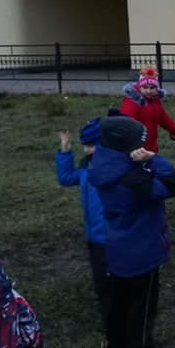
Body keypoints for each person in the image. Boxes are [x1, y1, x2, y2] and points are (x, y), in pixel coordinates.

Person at [88, 117, 175, 348]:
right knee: (143, 308)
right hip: (143, 251)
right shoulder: (133, 179)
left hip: (117, 248)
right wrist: (153, 160)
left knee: (120, 302)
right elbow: (171, 185)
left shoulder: (102, 167)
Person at [56, 120, 111, 326]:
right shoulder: (86, 169)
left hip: (108, 235)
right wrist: (64, 150)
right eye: (84, 145)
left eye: (90, 145)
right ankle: (105, 302)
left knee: (109, 275)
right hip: (93, 234)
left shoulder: (111, 170)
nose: (86, 150)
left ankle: (112, 308)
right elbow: (66, 178)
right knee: (100, 276)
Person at [119, 66, 175, 153]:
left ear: (157, 88)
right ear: (139, 86)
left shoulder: (155, 100)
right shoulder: (132, 101)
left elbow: (163, 117)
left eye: (152, 88)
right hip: (135, 149)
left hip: (151, 146)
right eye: (145, 87)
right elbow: (126, 123)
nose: (148, 91)